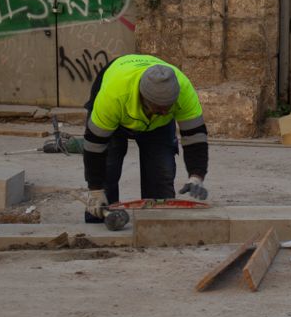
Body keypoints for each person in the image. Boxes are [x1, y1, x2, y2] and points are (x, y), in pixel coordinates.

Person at [81, 54, 209, 222]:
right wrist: (95, 188)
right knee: (108, 166)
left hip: (157, 126)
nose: (164, 112)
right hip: (118, 106)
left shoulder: (183, 91)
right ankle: (102, 215)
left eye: (168, 107)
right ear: (143, 97)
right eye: (159, 107)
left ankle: (155, 222)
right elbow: (95, 146)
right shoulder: (113, 97)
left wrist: (196, 175)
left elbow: (195, 138)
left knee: (161, 177)